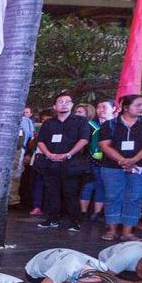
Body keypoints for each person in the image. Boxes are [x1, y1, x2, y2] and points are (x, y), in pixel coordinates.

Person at [98, 94, 142, 241]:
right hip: (112, 167)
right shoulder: (110, 124)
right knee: (112, 196)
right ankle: (112, 230)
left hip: (141, 166)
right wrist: (122, 160)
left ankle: (128, 232)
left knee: (135, 197)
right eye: (138, 105)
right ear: (125, 107)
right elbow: (104, 145)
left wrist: (134, 159)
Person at [36, 92, 89, 231]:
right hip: (51, 162)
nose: (64, 104)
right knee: (52, 192)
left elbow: (84, 140)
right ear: (55, 106)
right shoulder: (49, 123)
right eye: (60, 101)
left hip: (71, 163)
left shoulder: (80, 121)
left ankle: (74, 221)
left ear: (72, 105)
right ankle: (52, 219)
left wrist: (69, 154)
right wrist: (48, 154)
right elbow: (40, 141)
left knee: (71, 193)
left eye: (67, 101)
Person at [24, 247, 119, 283]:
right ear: (95, 278)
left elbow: (110, 278)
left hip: (59, 262)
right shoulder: (68, 267)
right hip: (34, 272)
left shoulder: (101, 268)